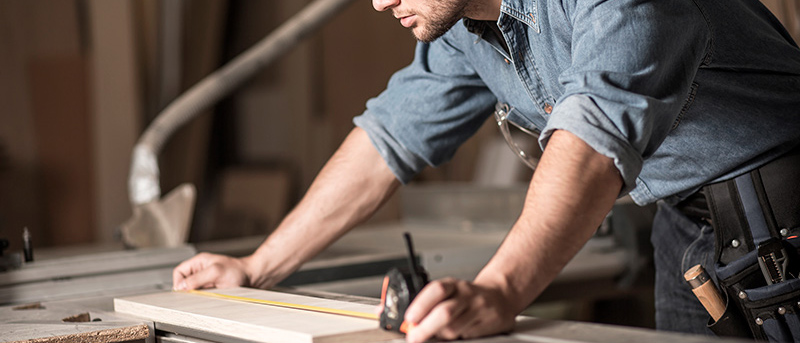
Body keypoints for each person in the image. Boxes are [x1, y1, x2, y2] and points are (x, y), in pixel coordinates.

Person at [173, 0, 800, 341]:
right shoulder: (464, 27)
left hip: (783, 211)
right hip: (683, 226)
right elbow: (389, 136)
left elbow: (592, 140)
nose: (379, 1)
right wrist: (257, 266)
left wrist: (498, 292)